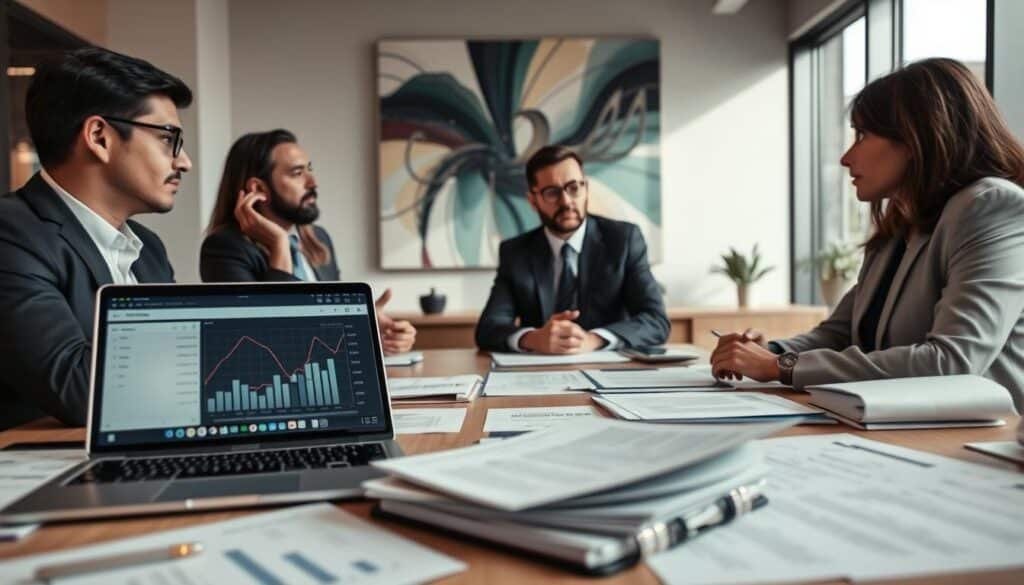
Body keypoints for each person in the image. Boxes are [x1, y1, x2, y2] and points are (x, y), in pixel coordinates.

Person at [711, 58, 1024, 411]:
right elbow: (839, 334)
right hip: (900, 423)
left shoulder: (990, 206)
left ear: (914, 137)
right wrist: (770, 352)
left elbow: (952, 361)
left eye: (862, 135)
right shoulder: (900, 223)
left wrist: (781, 368)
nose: (846, 157)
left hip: (981, 442)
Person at [0, 48, 193, 429]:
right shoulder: (12, 234)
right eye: (168, 138)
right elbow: (80, 393)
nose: (183, 161)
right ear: (100, 137)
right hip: (46, 474)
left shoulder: (149, 249)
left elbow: (185, 371)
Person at [200, 129, 416, 355]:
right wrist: (279, 245)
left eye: (309, 171)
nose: (313, 183)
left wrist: (367, 331)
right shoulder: (224, 248)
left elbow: (324, 332)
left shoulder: (319, 239)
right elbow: (264, 340)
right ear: (259, 189)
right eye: (297, 173)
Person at [475, 145, 669, 354]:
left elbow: (656, 321)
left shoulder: (623, 240)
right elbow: (488, 329)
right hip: (539, 372)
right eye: (552, 193)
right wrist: (533, 339)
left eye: (574, 188)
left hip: (610, 370)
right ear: (533, 200)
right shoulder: (516, 252)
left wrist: (593, 339)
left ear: (585, 189)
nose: (566, 201)